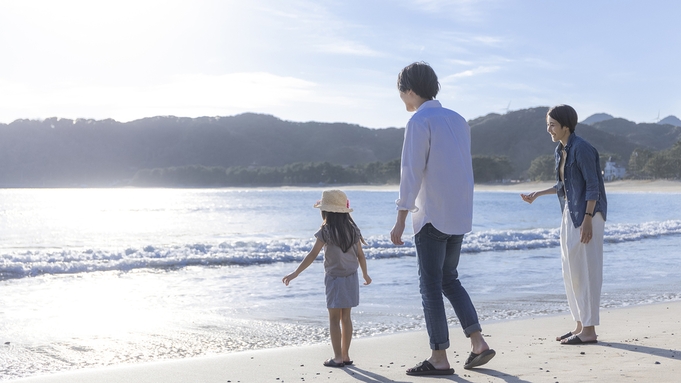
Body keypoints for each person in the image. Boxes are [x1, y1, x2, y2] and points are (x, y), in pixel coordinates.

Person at [390, 62, 495, 376]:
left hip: (433, 216)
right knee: (449, 279)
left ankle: (439, 357)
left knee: (430, 287)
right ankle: (478, 343)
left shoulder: (419, 121)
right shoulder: (458, 120)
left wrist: (400, 218)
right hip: (459, 215)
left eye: (400, 92)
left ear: (409, 90)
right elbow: (462, 170)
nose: (401, 99)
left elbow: (411, 172)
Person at [521, 104, 607, 345]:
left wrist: (588, 219)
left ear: (566, 126)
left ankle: (589, 330)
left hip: (588, 213)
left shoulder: (582, 149)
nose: (549, 129)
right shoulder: (561, 150)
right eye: (547, 124)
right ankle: (580, 325)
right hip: (570, 211)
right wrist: (537, 194)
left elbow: (593, 187)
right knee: (570, 270)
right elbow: (563, 186)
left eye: (552, 125)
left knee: (587, 270)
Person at [282, 189, 371, 367]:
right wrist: (365, 274)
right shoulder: (353, 229)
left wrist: (295, 273)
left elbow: (312, 254)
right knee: (346, 318)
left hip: (334, 279)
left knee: (333, 319)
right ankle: (345, 355)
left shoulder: (326, 230)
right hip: (352, 278)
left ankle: (337, 358)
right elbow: (361, 256)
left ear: (326, 211)